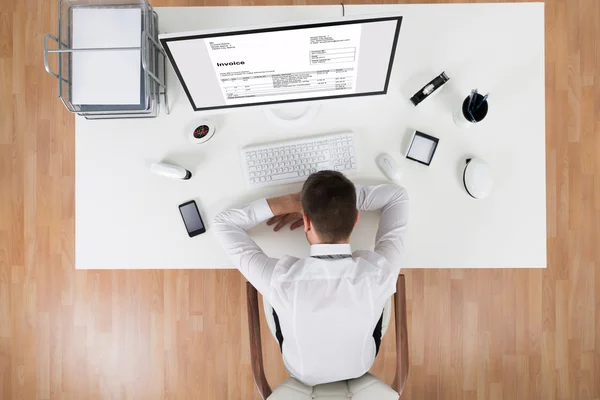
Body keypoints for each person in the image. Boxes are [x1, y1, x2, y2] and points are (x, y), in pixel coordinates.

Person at [213, 170, 409, 386]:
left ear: (305, 221)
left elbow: (223, 224)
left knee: (276, 296)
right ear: (356, 219)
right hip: (360, 365)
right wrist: (343, 201)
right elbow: (397, 196)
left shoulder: (281, 281)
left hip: (301, 372)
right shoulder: (381, 272)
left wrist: (292, 201)